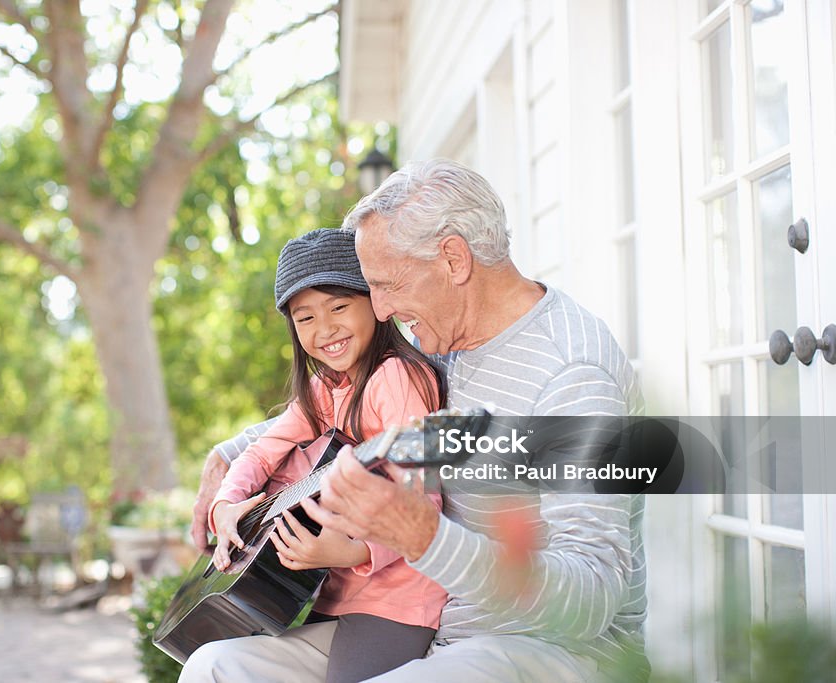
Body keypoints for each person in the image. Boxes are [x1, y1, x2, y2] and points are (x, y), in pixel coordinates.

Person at [186, 159, 649, 682]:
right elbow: (331, 405)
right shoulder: (444, 348)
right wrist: (225, 459)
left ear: (453, 259)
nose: (379, 311)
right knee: (216, 668)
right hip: (437, 631)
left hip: (544, 649)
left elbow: (593, 597)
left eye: (387, 284)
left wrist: (424, 539)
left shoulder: (570, 373)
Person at [200, 227, 449, 683]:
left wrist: (352, 551)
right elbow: (260, 453)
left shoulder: (397, 379)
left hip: (396, 603)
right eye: (305, 317)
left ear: (374, 303)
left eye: (338, 307)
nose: (325, 329)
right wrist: (226, 505)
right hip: (336, 594)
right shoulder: (325, 390)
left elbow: (422, 499)